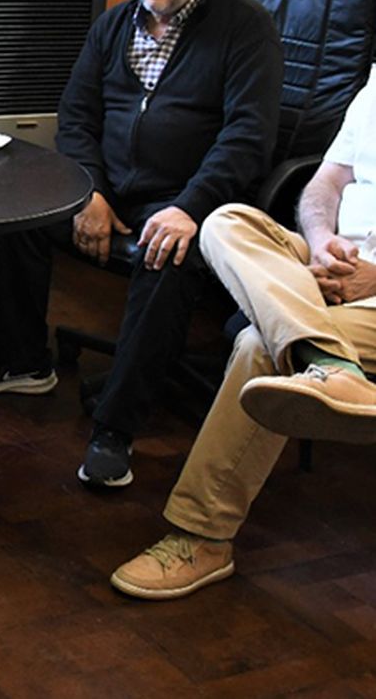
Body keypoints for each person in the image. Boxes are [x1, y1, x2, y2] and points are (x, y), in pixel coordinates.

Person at [0, 0, 283, 488]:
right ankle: (22, 360)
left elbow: (248, 138)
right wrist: (89, 190)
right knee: (24, 209)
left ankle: (115, 428)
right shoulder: (114, 24)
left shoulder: (244, 28)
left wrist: (190, 208)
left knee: (166, 252)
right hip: (111, 189)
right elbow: (76, 117)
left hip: (186, 200)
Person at [112, 68, 376, 599]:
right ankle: (331, 363)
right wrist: (321, 241)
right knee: (225, 221)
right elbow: (326, 180)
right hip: (331, 261)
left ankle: (202, 537)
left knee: (261, 345)